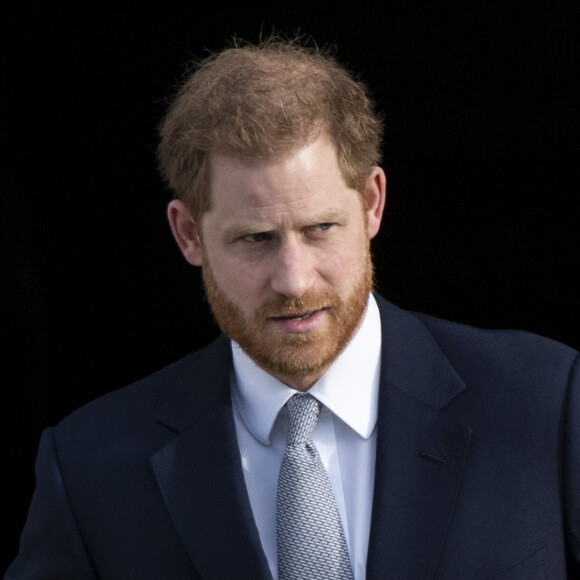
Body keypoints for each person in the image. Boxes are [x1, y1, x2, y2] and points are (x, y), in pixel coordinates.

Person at [5, 37, 579, 580]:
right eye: (255, 238)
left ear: (373, 203)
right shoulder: (90, 470)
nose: (294, 280)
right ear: (188, 235)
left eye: (321, 228)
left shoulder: (546, 404)